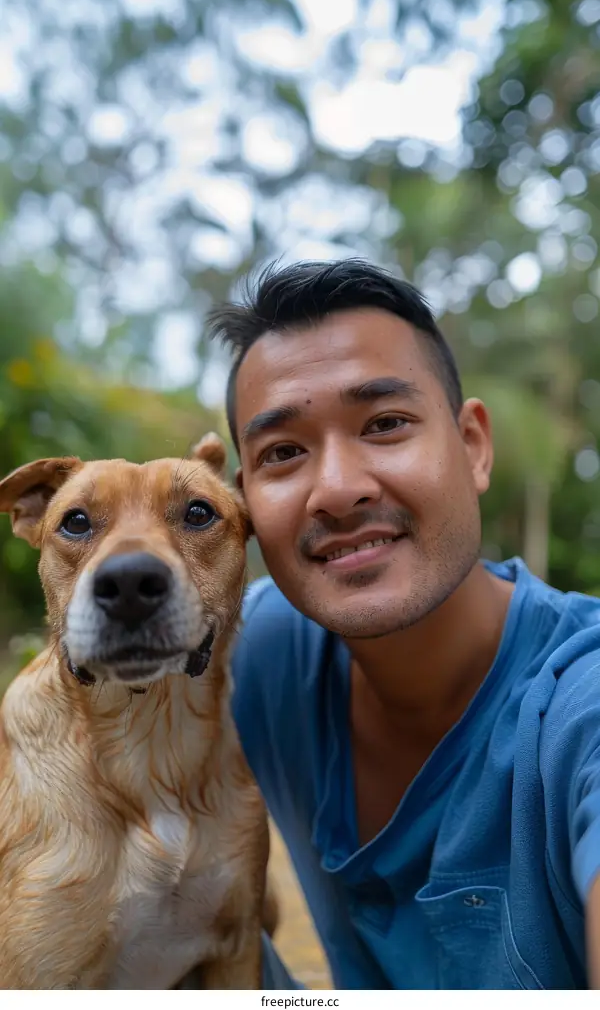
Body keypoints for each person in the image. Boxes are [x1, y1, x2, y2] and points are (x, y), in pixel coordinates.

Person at [206, 258, 600, 990]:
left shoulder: (580, 704)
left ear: (473, 445)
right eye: (283, 452)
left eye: (385, 424)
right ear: (245, 506)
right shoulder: (251, 658)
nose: (337, 489)